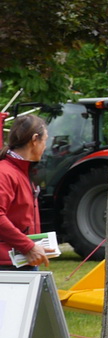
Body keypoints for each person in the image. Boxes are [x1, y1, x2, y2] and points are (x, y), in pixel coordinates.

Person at [2, 115, 51, 270]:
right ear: (35, 139)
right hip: (7, 265)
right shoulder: (5, 172)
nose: (45, 147)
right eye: (45, 140)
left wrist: (35, 246)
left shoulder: (21, 171)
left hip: (21, 261)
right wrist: (28, 246)